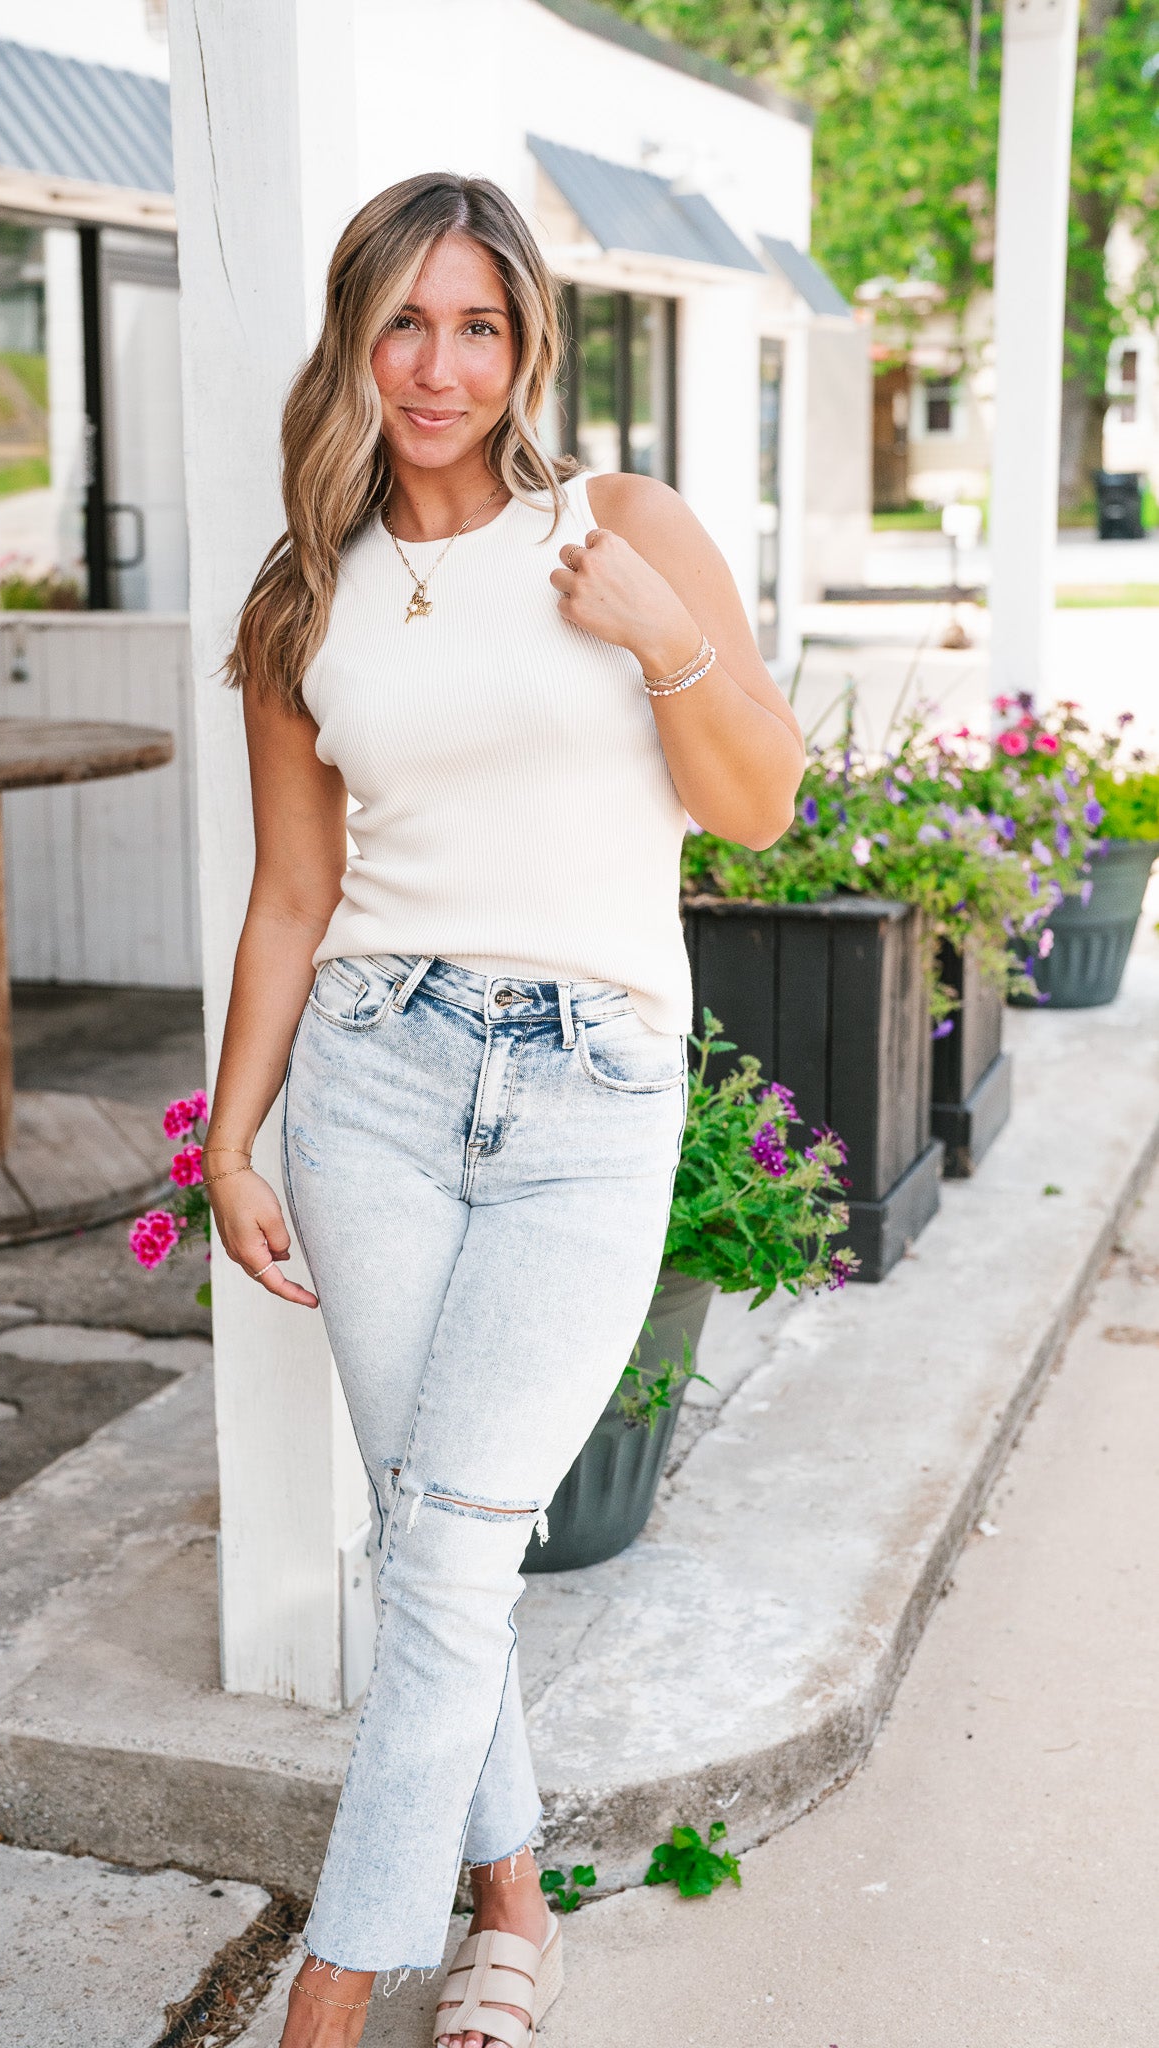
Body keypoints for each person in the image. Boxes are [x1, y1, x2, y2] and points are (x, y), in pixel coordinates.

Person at [202, 171, 805, 2048]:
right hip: (371, 1082)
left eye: (475, 324)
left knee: (455, 1546)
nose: (436, 365)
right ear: (352, 337)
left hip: (587, 1087)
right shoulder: (308, 597)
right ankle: (514, 1919)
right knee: (432, 1544)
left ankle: (331, 1992)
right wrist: (233, 1134)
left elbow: (760, 804)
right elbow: (294, 895)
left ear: (527, 339)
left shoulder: (615, 526)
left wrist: (659, 636)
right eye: (402, 322)